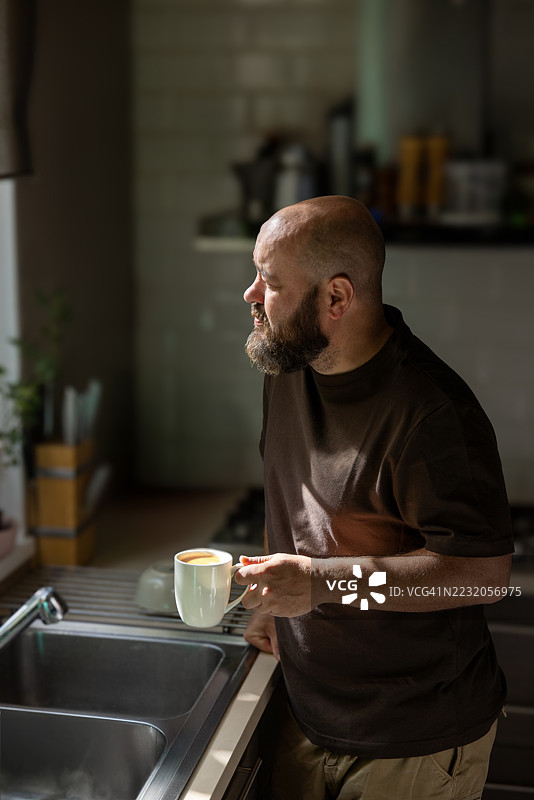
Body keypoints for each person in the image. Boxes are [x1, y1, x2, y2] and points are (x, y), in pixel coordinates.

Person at [235, 195, 514, 800]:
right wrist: (272, 593)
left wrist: (322, 583)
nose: (251, 296)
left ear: (336, 298)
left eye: (270, 282)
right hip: (310, 711)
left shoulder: (432, 414)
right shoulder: (289, 370)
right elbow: (288, 494)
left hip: (415, 740)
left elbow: (481, 577)